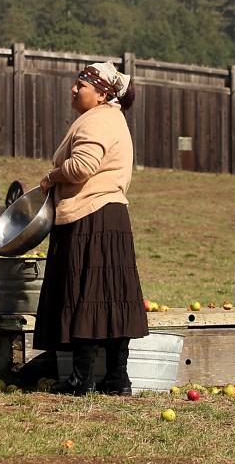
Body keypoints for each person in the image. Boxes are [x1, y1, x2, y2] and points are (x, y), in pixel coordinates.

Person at [35, 61, 149, 396]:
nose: (74, 89)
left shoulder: (97, 120)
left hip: (91, 216)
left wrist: (50, 177)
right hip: (110, 216)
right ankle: (117, 379)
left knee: (87, 295)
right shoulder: (112, 118)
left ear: (101, 95)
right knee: (113, 297)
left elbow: (83, 166)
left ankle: (81, 378)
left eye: (81, 85)